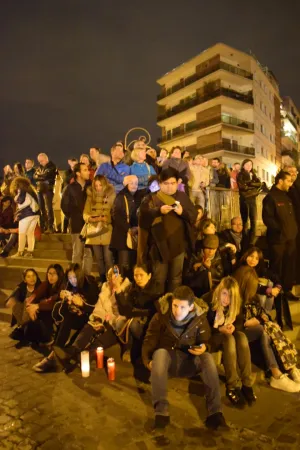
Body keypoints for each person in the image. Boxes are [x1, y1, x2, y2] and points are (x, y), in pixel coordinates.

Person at [142, 285, 227, 430]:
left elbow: (207, 340)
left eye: (182, 307)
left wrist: (205, 347)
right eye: (175, 305)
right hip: (167, 362)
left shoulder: (200, 319)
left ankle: (215, 412)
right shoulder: (161, 316)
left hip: (190, 361)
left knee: (207, 357)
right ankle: (161, 412)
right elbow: (149, 340)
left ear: (191, 307)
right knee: (160, 353)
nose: (177, 311)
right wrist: (147, 360)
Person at [233, 265, 300, 393]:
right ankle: (279, 372)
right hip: (240, 332)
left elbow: (262, 313)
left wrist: (264, 318)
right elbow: (232, 322)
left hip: (256, 330)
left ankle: (286, 370)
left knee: (267, 329)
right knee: (262, 330)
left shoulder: (252, 297)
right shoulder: (234, 297)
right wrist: (247, 323)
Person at [138, 168, 197, 292]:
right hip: (159, 247)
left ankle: (173, 307)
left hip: (179, 246)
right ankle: (159, 307)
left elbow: (193, 215)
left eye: (173, 183)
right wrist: (158, 211)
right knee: (159, 279)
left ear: (177, 183)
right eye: (166, 183)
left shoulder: (182, 196)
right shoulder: (152, 198)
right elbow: (142, 217)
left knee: (176, 279)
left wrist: (182, 212)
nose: (170, 187)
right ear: (160, 184)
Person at [33, 264, 99, 372]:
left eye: (74, 278)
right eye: (69, 278)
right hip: (74, 315)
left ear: (80, 276)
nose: (72, 281)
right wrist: (63, 296)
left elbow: (96, 309)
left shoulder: (90, 285)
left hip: (89, 317)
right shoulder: (70, 284)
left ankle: (52, 357)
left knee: (68, 320)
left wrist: (82, 304)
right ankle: (57, 354)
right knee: (66, 319)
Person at [204, 276, 256, 407]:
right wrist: (219, 329)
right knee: (229, 339)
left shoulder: (236, 304)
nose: (226, 299)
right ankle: (232, 386)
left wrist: (234, 327)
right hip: (212, 335)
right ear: (220, 291)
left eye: (230, 296)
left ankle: (247, 383)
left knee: (242, 338)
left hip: (227, 332)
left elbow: (239, 323)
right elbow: (202, 328)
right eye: (224, 294)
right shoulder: (208, 300)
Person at [113, 263, 163, 362]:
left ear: (149, 276)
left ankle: (142, 349)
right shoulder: (133, 289)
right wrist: (118, 290)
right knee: (119, 323)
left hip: (150, 323)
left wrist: (134, 313)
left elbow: (154, 312)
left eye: (141, 275)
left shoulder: (156, 289)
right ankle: (128, 347)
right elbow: (124, 310)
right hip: (135, 319)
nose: (138, 278)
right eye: (136, 275)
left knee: (134, 324)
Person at [262, 171, 298, 306]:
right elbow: (268, 218)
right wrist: (280, 230)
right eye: (288, 181)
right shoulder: (270, 197)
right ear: (280, 181)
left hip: (290, 238)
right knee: (276, 266)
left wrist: (293, 230)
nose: (291, 183)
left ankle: (287, 290)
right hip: (277, 240)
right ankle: (275, 293)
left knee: (289, 266)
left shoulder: (287, 197)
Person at [21, 264, 65, 345]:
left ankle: (48, 336)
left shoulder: (63, 286)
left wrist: (37, 306)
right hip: (46, 308)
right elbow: (34, 295)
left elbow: (53, 302)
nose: (51, 276)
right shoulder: (46, 284)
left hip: (59, 311)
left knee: (43, 312)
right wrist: (30, 307)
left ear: (59, 274)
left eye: (54, 273)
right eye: (49, 273)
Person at [83, 175, 115, 281]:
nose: (98, 187)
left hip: (107, 230)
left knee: (108, 257)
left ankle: (111, 279)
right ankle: (102, 280)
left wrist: (107, 218)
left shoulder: (111, 194)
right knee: (99, 258)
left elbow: (114, 212)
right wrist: (92, 219)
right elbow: (85, 213)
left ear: (104, 184)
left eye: (100, 185)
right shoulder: (90, 196)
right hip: (94, 231)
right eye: (96, 185)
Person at [110, 175, 143, 278]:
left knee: (133, 263)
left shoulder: (140, 196)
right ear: (126, 184)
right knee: (123, 264)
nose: (134, 185)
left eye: (136, 183)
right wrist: (129, 228)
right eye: (131, 183)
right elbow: (117, 215)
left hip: (136, 235)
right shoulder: (120, 197)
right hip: (122, 236)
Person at [61, 163, 91, 269]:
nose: (88, 172)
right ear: (78, 173)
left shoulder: (91, 186)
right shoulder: (70, 188)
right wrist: (73, 216)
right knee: (77, 252)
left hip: (90, 224)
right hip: (76, 224)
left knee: (88, 254)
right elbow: (64, 206)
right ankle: (76, 278)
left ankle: (86, 278)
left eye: (88, 169)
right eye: (85, 170)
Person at [5, 268, 41, 341]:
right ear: (25, 280)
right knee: (16, 303)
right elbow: (13, 296)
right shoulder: (21, 287)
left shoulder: (41, 287)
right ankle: (22, 327)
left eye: (34, 275)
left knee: (27, 301)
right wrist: (11, 300)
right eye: (28, 276)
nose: (32, 278)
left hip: (35, 313)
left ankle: (22, 329)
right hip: (23, 315)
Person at [10, 177, 40, 258]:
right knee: (30, 233)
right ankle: (30, 252)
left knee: (22, 233)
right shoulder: (31, 190)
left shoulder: (22, 190)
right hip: (35, 214)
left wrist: (16, 198)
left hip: (26, 214)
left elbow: (21, 201)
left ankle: (20, 252)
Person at [237, 159, 262, 244]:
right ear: (243, 165)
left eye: (250, 165)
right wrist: (253, 186)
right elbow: (242, 187)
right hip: (244, 200)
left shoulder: (254, 175)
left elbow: (260, 184)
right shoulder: (240, 174)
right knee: (245, 222)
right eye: (247, 164)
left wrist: (249, 184)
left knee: (254, 222)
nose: (249, 166)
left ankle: (251, 243)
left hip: (252, 200)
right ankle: (244, 241)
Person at [34, 153, 57, 233]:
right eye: (39, 161)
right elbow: (35, 176)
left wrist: (40, 176)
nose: (40, 163)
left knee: (49, 208)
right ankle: (44, 225)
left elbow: (46, 175)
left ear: (46, 159)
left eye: (41, 161)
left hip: (48, 189)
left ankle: (50, 226)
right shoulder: (39, 167)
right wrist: (41, 176)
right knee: (41, 208)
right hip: (40, 189)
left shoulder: (52, 166)